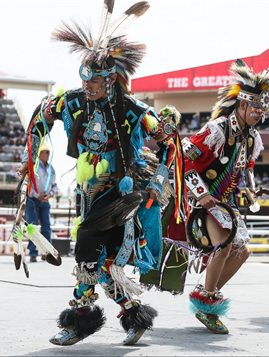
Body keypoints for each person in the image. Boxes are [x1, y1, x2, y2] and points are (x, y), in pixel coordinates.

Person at [17, 0, 180, 346]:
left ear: (111, 80)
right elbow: (38, 120)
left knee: (87, 248)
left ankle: (78, 321)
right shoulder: (73, 102)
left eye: (94, 82)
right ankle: (133, 314)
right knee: (102, 264)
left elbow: (168, 144)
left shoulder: (133, 109)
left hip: (119, 195)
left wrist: (156, 183)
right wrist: (29, 160)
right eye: (84, 79)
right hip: (86, 193)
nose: (87, 87)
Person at [173, 58, 269, 333]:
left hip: (225, 204)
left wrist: (250, 188)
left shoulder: (251, 138)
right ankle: (208, 300)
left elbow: (246, 167)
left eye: (263, 110)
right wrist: (201, 195)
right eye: (256, 109)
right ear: (242, 105)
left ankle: (206, 295)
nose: (260, 114)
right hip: (205, 201)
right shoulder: (217, 130)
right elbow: (183, 159)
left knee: (242, 251)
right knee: (224, 245)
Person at [25, 142, 58, 263]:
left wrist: (50, 194)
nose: (47, 155)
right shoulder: (33, 166)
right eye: (45, 152)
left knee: (46, 227)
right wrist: (36, 195)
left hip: (45, 200)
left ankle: (46, 252)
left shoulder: (51, 168)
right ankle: (33, 253)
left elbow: (54, 185)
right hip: (33, 200)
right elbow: (28, 184)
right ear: (40, 154)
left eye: (48, 153)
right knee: (32, 227)